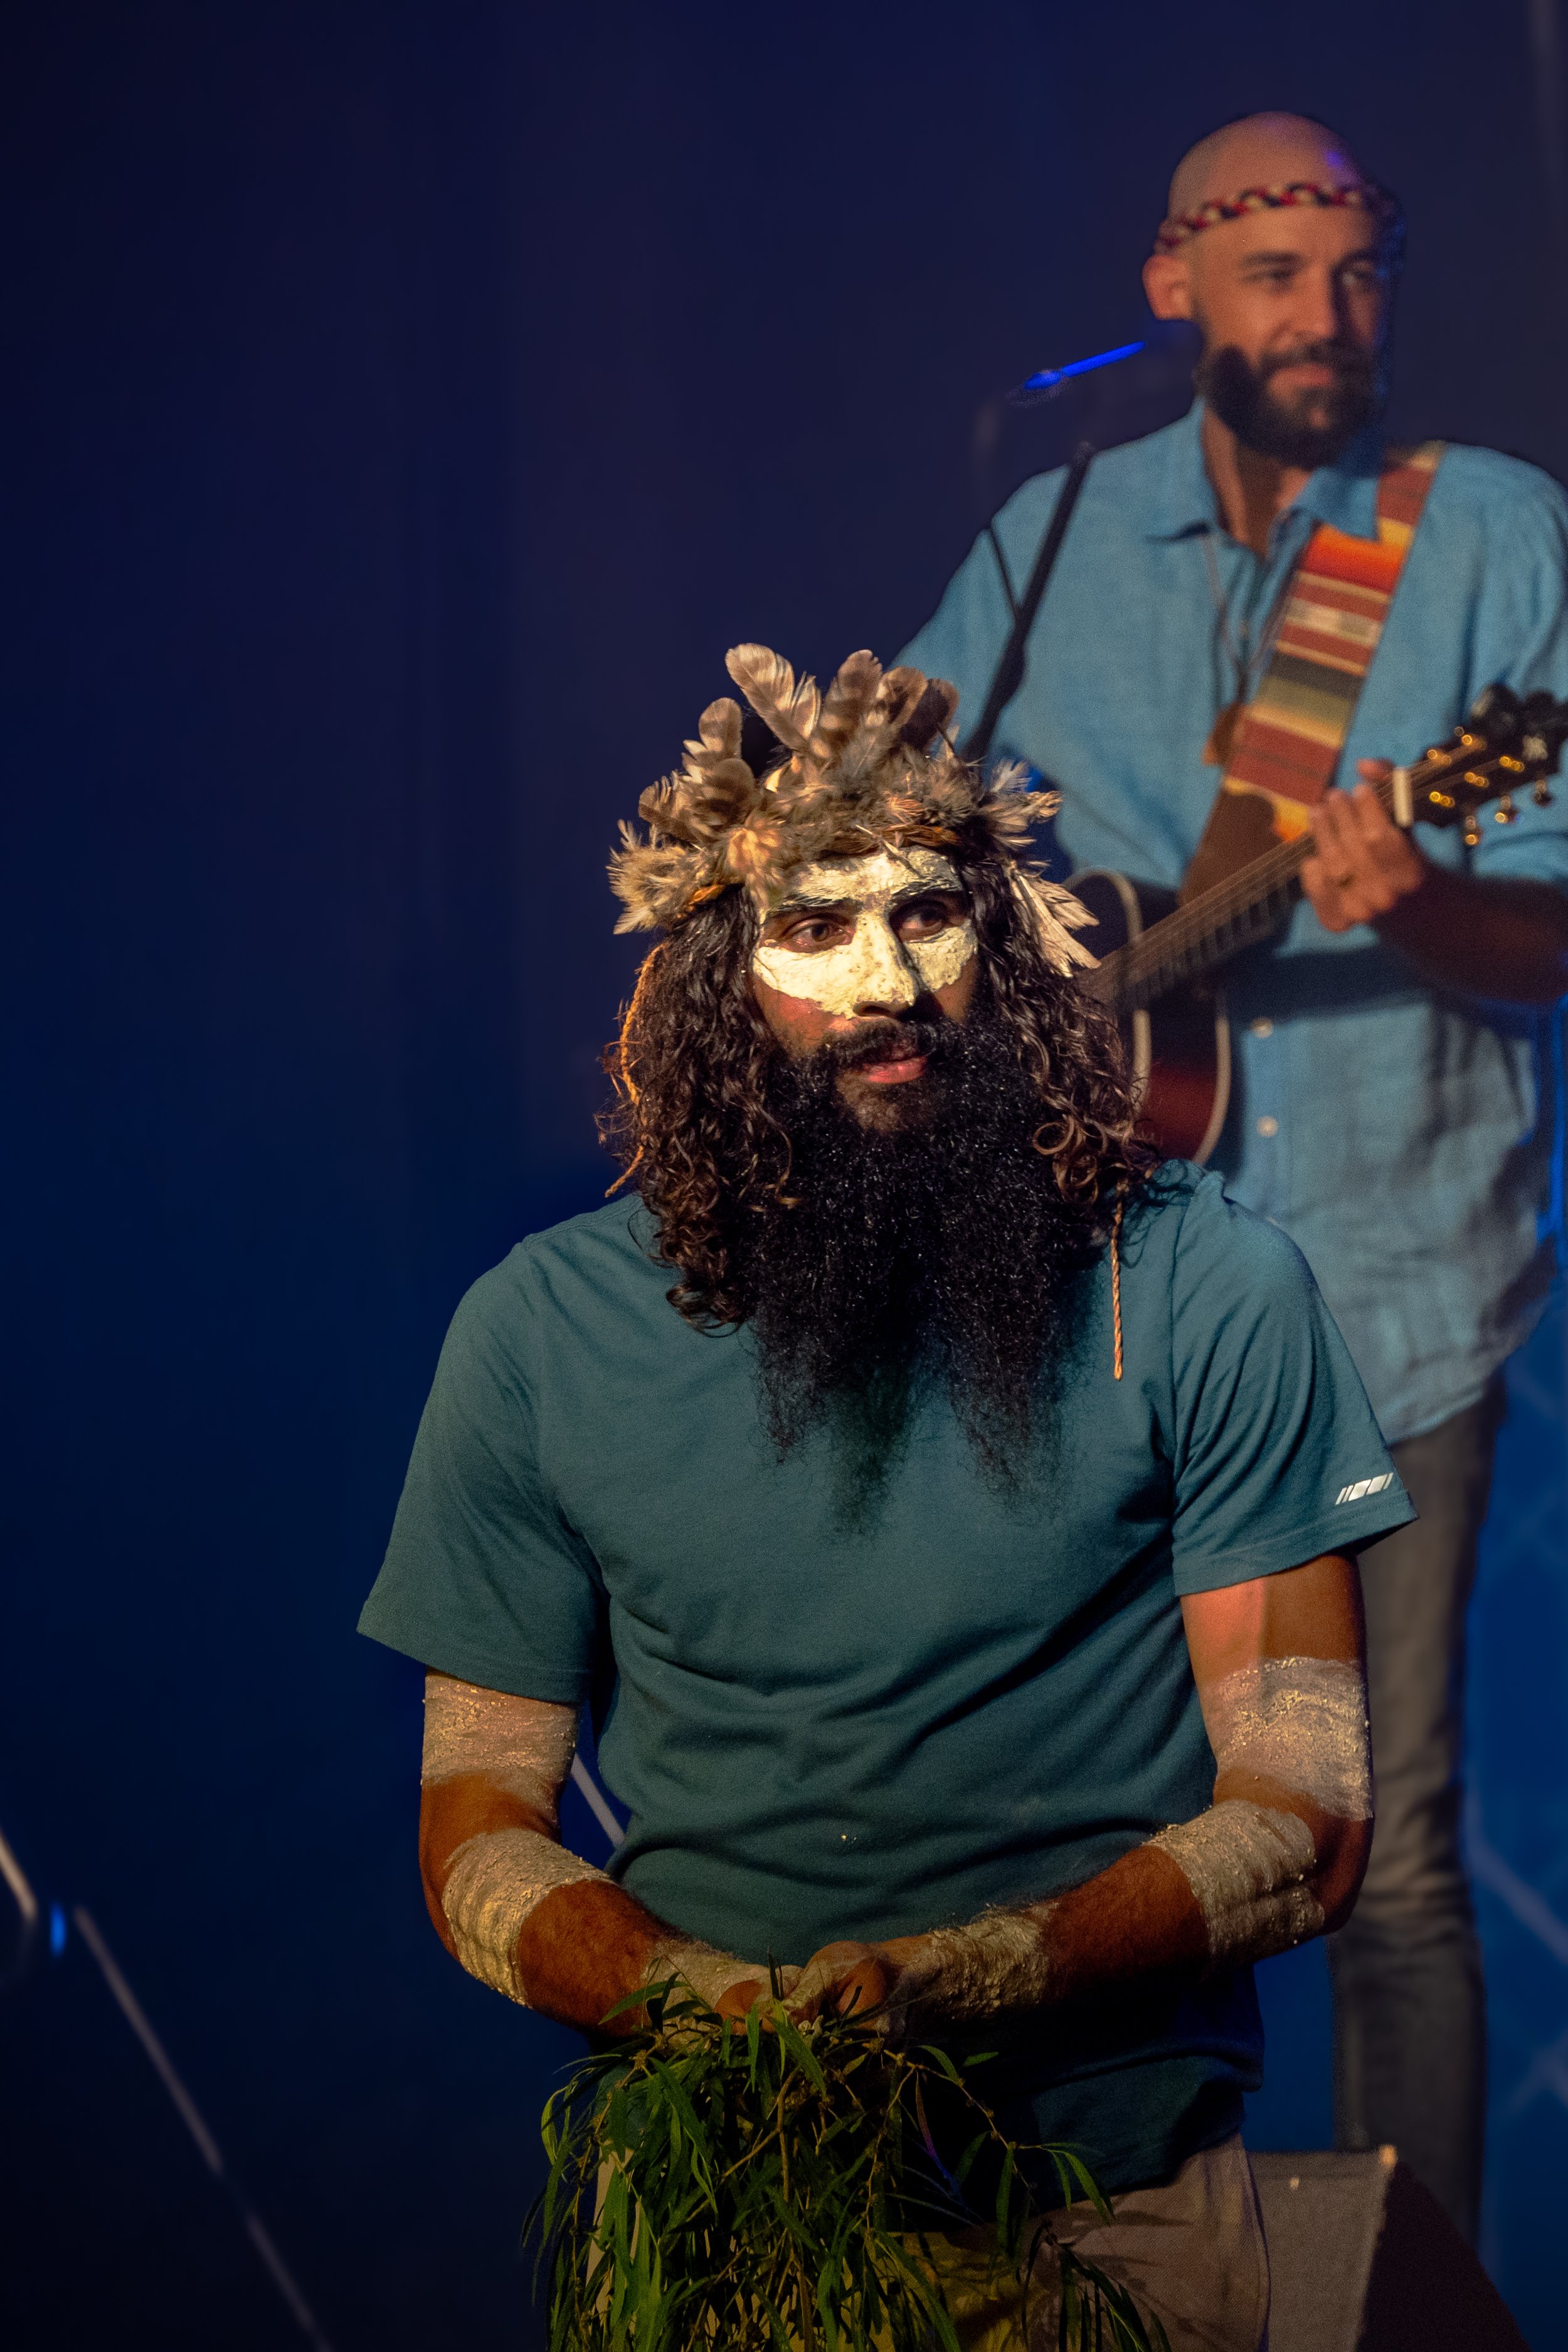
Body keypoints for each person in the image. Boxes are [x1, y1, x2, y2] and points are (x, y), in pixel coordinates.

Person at [359, 642, 1413, 2349]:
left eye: (927, 916)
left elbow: (1309, 1817)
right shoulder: (538, 1332)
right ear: (715, 970)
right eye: (811, 926)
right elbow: (474, 1823)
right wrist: (700, 2009)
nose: (884, 985)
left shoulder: (1207, 1286)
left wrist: (966, 1973)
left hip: (1112, 2214)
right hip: (717, 2203)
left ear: (999, 948)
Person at [899, 111, 1568, 2243]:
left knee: (1384, 1857)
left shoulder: (1479, 536)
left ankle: (1422, 2305)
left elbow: (1552, 940)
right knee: (1106, 1847)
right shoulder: (1041, 537)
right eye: (1271, 271)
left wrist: (1413, 897)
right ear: (1168, 283)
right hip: (1110, 1296)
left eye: (1359, 269)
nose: (1324, 313)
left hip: (1392, 1290)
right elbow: (891, 833)